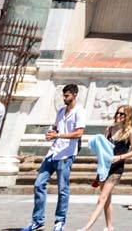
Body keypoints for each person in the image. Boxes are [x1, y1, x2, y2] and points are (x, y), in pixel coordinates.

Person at [26, 83, 85, 231]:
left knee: (63, 189)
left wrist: (58, 135)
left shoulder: (79, 111)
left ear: (74, 95)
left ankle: (60, 222)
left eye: (67, 96)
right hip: (53, 152)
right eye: (63, 96)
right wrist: (51, 133)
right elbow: (56, 128)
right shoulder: (61, 111)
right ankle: (38, 221)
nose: (64, 98)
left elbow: (79, 133)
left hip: (66, 154)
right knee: (39, 184)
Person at [78, 105, 132, 231]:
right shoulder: (110, 129)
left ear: (128, 116)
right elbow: (104, 148)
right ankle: (109, 226)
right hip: (105, 167)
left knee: (102, 199)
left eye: (122, 114)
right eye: (117, 113)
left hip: (117, 168)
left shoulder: (129, 132)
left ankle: (86, 227)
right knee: (107, 198)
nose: (118, 116)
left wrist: (120, 157)